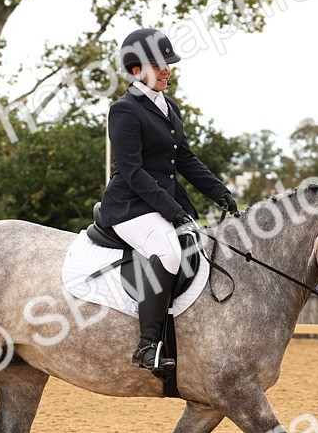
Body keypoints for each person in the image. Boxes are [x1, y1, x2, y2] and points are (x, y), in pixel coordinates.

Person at [99, 27, 238, 379]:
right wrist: (172, 211)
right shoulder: (124, 110)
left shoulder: (168, 105)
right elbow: (133, 172)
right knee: (170, 252)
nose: (167, 70)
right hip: (130, 206)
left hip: (160, 203)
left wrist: (219, 191)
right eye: (158, 64)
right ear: (135, 70)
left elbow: (186, 159)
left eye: (168, 64)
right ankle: (147, 346)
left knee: (200, 246)